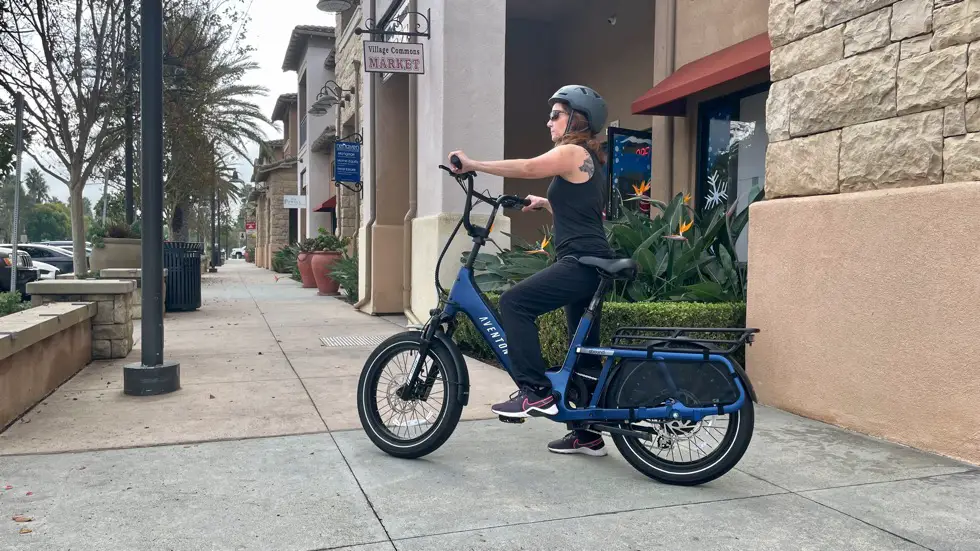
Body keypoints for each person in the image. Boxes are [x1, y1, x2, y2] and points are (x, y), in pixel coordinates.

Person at [448, 84, 615, 458]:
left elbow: (527, 167)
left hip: (580, 262)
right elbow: (583, 213)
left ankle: (534, 393)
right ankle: (586, 435)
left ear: (577, 118)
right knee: (582, 349)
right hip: (589, 259)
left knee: (514, 303)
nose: (549, 121)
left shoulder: (571, 151)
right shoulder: (586, 159)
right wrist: (547, 203)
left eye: (556, 114)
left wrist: (474, 164)